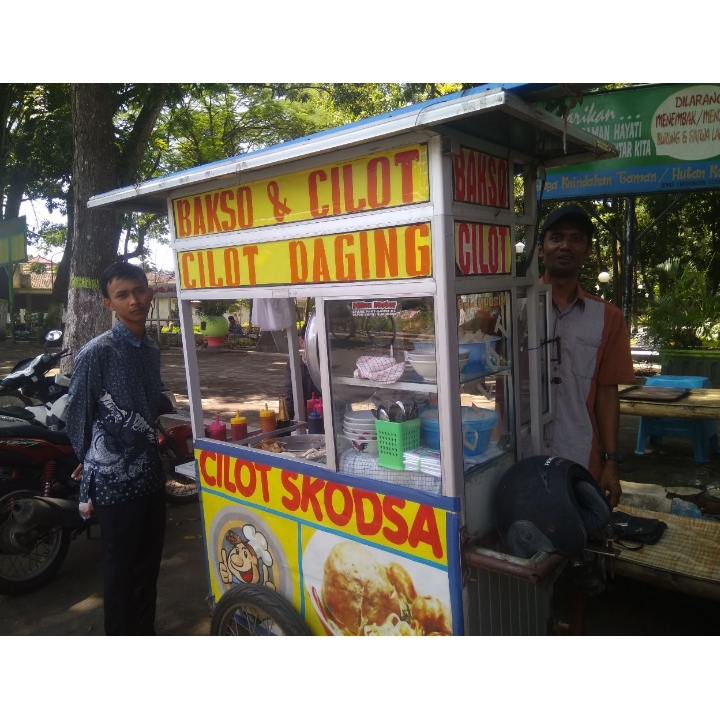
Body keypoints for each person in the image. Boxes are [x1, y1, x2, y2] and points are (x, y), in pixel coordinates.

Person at [65, 261, 166, 636]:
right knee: (120, 572)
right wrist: (86, 459)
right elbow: (77, 413)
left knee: (148, 566)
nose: (134, 300)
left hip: (150, 475)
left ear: (150, 293)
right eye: (122, 295)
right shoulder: (97, 352)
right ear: (109, 304)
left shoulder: (150, 349)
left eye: (139, 291)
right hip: (114, 482)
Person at [538, 204, 635, 509]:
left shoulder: (608, 317)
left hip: (578, 458)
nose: (566, 245)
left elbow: (607, 392)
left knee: (575, 541)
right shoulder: (512, 308)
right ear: (541, 250)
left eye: (576, 238)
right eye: (557, 237)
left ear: (587, 251)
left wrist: (611, 462)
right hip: (517, 454)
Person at [284, 322, 321, 421]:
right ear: (302, 342)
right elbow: (290, 395)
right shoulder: (294, 365)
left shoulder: (329, 364)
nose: (317, 346)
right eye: (312, 342)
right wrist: (286, 423)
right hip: (305, 419)